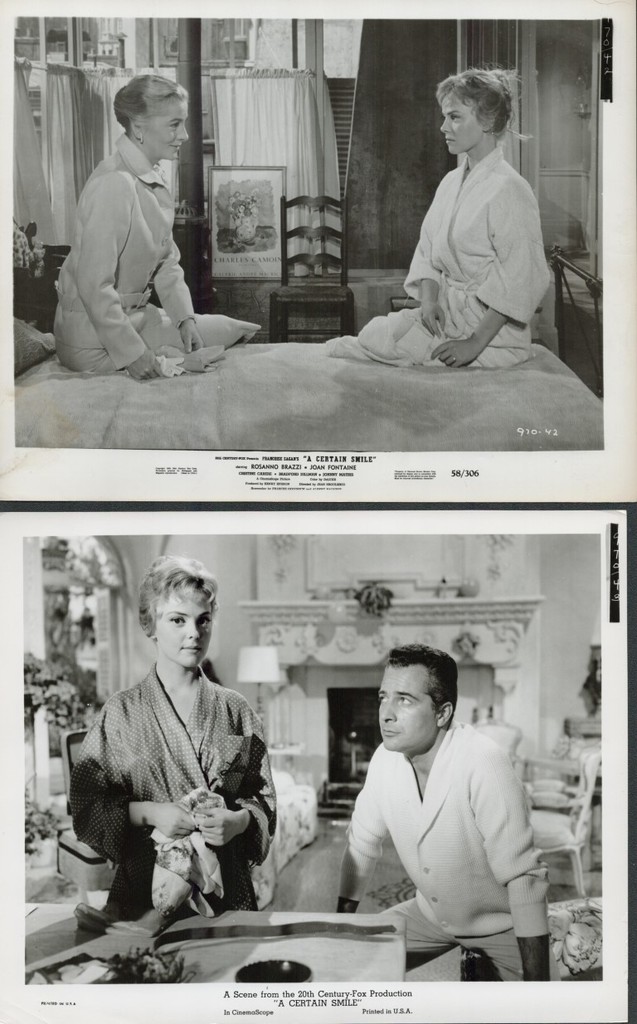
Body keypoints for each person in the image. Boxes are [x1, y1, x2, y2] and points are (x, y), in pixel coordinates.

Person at [70, 555, 276, 932]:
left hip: (225, 891)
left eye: (203, 620)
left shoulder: (236, 709)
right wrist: (150, 812)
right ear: (150, 624)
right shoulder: (120, 712)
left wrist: (239, 821)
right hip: (142, 893)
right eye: (177, 620)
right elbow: (87, 806)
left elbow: (262, 798)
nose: (193, 632)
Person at [336, 643, 559, 981]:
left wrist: (537, 988)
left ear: (442, 713)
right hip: (427, 916)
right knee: (340, 965)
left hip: (501, 926)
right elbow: (362, 845)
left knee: (535, 1006)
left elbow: (523, 877)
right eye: (383, 697)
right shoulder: (384, 759)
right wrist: (339, 928)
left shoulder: (484, 761)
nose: (386, 714)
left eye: (404, 700)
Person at [327, 68, 549, 369]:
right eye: (445, 117)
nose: (443, 127)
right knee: (374, 335)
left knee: (380, 349)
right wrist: (429, 302)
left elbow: (521, 277)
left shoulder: (510, 188)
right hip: (447, 315)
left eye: (454, 117)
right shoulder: (451, 181)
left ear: (488, 121)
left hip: (491, 335)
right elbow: (428, 249)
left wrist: (473, 344)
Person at [54, 75, 259, 379]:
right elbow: (94, 286)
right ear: (139, 128)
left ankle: (173, 352)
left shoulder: (148, 176)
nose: (185, 135)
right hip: (92, 339)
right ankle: (169, 359)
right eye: (174, 124)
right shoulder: (114, 183)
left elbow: (167, 262)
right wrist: (133, 354)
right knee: (219, 340)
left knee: (229, 328)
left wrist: (185, 319)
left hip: (133, 318)